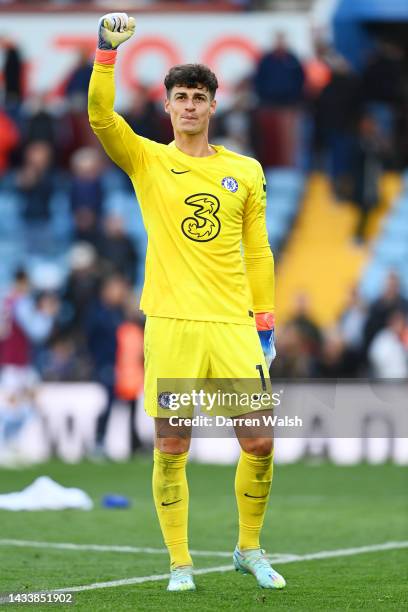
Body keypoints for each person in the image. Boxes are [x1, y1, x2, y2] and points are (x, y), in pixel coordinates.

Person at [88, 12, 285, 593]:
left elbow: (259, 251)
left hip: (232, 326)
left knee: (260, 441)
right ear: (168, 106)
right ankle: (180, 562)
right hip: (172, 325)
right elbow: (101, 116)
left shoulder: (245, 170)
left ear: (213, 105)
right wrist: (105, 52)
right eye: (181, 97)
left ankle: (248, 548)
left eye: (199, 97)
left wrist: (265, 323)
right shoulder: (147, 160)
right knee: (173, 445)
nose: (190, 106)